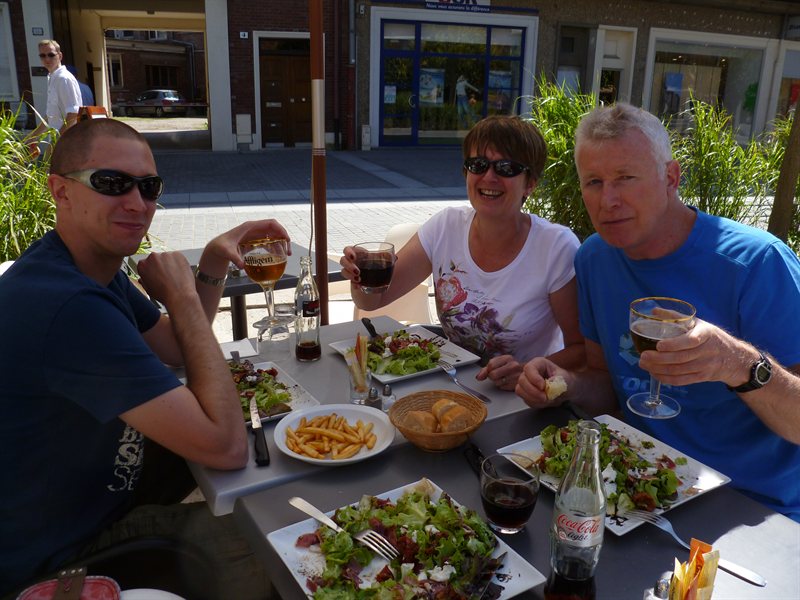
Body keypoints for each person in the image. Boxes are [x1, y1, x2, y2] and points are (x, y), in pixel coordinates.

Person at [0, 118, 288, 597]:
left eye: (149, 187)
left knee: (272, 454)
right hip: (65, 556)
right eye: (111, 183)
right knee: (276, 530)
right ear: (60, 191)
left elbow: (175, 346)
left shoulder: (86, 265)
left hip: (102, 492)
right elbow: (226, 445)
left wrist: (212, 263)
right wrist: (180, 296)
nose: (138, 204)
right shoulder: (66, 306)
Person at [516, 103, 800, 521]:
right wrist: (568, 384)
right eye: (593, 182)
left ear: (671, 178)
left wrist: (737, 362)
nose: (608, 200)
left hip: (751, 507)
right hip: (638, 487)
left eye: (625, 178)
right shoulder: (595, 258)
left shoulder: (756, 264)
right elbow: (608, 385)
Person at [340, 115, 585, 391]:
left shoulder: (556, 247)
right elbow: (374, 301)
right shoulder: (445, 227)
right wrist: (359, 277)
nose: (489, 177)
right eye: (478, 164)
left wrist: (532, 370)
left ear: (530, 183)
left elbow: (582, 349)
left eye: (506, 167)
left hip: (523, 400)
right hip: (452, 387)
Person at [25, 40, 82, 158]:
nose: (47, 59)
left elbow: (73, 115)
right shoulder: (53, 77)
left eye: (51, 55)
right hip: (62, 142)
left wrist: (55, 143)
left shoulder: (63, 79)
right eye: (43, 55)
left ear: (60, 56)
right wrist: (33, 137)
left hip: (68, 143)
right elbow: (51, 116)